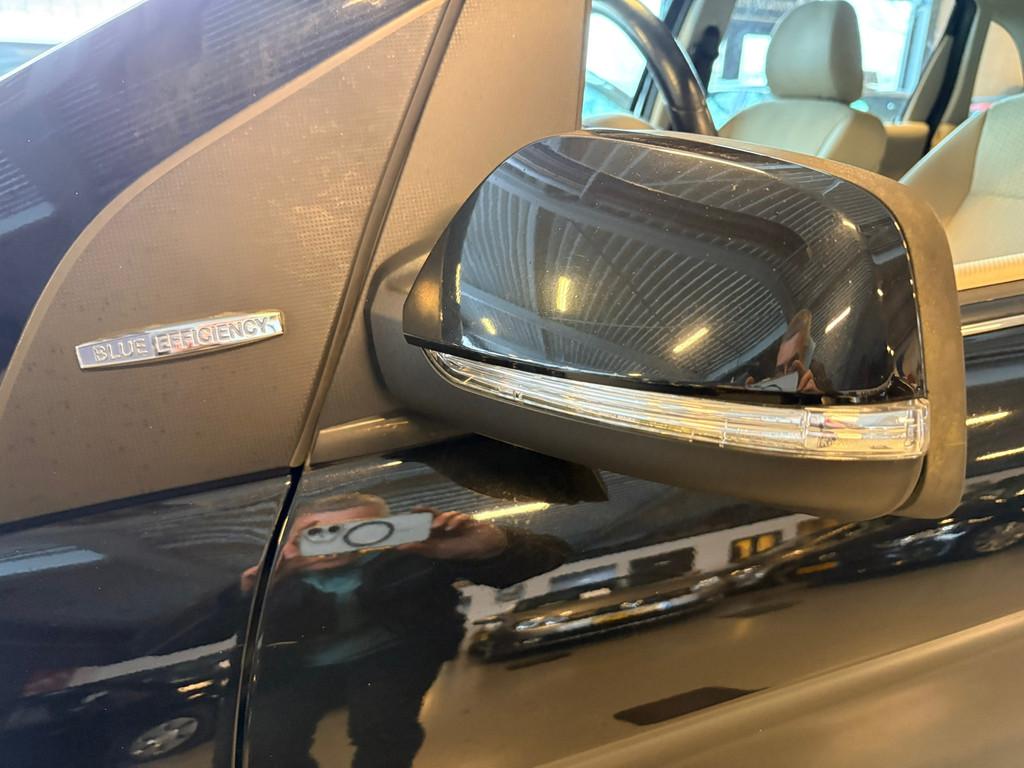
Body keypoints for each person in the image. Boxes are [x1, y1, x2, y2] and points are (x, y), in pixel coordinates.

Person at [245, 493, 569, 768]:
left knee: (383, 728)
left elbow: (554, 554)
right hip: (293, 668)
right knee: (271, 745)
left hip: (390, 657)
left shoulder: (414, 556)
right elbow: (219, 627)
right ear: (289, 539)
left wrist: (492, 547)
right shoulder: (271, 575)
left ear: (385, 530)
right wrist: (255, 588)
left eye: (356, 531)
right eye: (316, 534)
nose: (337, 542)